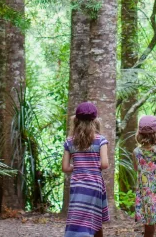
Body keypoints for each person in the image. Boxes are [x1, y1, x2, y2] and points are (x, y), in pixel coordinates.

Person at [63, 101, 110, 237]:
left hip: (77, 185)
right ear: (95, 121)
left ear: (76, 120)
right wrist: (94, 165)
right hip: (94, 184)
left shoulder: (69, 141)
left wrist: (77, 166)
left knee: (77, 215)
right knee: (95, 217)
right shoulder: (100, 140)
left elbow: (65, 167)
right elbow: (105, 164)